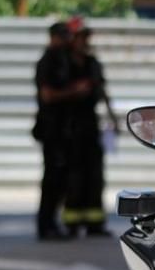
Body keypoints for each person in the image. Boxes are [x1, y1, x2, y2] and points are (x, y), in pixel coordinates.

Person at [33, 21, 93, 241]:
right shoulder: (48, 62)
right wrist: (74, 92)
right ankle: (45, 224)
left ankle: (52, 223)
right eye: (64, 36)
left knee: (61, 180)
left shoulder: (65, 60)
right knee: (52, 180)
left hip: (65, 131)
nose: (69, 40)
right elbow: (47, 95)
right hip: (52, 129)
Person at [62, 20, 120, 237]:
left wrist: (113, 118)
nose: (84, 42)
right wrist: (74, 91)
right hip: (69, 126)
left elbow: (102, 90)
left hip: (89, 124)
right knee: (73, 176)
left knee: (95, 175)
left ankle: (94, 223)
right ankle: (71, 223)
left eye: (86, 38)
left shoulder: (92, 63)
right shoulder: (63, 63)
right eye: (81, 38)